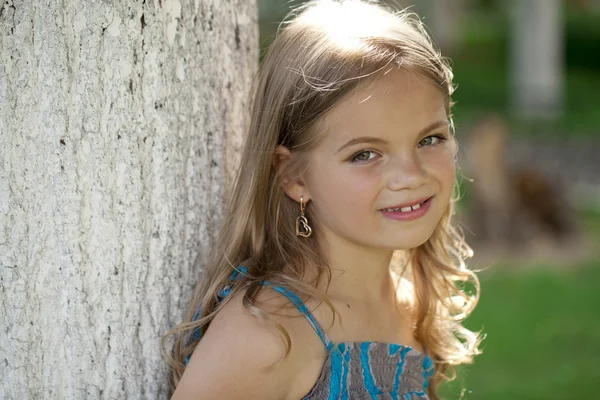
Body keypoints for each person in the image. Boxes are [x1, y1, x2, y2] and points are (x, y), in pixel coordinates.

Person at [162, 1, 482, 399]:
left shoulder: (409, 300)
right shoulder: (270, 334)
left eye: (429, 139)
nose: (412, 176)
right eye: (365, 154)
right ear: (294, 175)